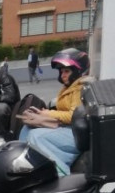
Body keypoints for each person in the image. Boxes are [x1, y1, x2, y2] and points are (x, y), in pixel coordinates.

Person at [18, 48, 89, 176]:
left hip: (77, 133)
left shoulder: (80, 88)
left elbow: (74, 116)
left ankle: (62, 179)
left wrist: (47, 114)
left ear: (78, 70)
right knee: (26, 129)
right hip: (66, 128)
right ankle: (26, 171)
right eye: (61, 72)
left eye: (66, 71)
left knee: (36, 136)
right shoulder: (69, 87)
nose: (63, 75)